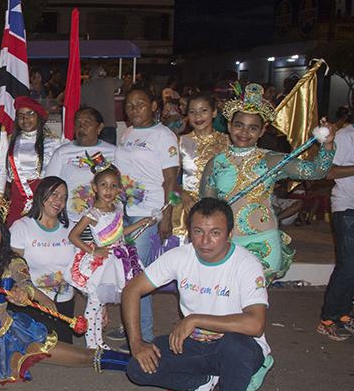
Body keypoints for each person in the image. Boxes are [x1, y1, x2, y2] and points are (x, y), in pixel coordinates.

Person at [0, 177, 131, 383]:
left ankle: (133, 361)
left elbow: (26, 284)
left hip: (12, 335)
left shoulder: (12, 262)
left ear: (3, 234)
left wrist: (24, 294)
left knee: (83, 356)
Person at [123, 198, 270, 391]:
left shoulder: (246, 264)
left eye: (215, 233)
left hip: (238, 348)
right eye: (198, 232)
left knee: (236, 346)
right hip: (195, 344)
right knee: (138, 369)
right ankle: (205, 380)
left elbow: (255, 323)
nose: (205, 241)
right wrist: (137, 342)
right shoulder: (181, 256)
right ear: (189, 231)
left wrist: (195, 319)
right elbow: (132, 290)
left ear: (229, 234)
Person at [200, 83, 335, 284]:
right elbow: (206, 207)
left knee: (254, 305)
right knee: (224, 301)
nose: (244, 132)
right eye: (239, 125)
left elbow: (316, 171)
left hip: (263, 242)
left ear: (262, 131)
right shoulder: (215, 163)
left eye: (253, 127)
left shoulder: (271, 160)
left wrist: (328, 144)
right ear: (229, 126)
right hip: (226, 242)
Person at [113, 86, 179, 345]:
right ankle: (133, 325)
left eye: (140, 104)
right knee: (129, 273)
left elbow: (171, 179)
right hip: (126, 212)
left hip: (150, 213)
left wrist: (167, 214)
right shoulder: (128, 133)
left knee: (137, 275)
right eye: (129, 105)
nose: (133, 109)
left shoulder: (163, 136)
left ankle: (144, 334)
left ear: (153, 105)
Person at [68, 158, 152, 349]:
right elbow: (73, 236)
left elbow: (120, 234)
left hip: (118, 258)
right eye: (104, 185)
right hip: (102, 262)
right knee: (95, 303)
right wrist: (93, 249)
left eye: (113, 186)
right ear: (95, 187)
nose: (108, 190)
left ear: (119, 189)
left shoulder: (118, 208)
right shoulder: (93, 213)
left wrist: (141, 223)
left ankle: (99, 341)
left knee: (101, 303)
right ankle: (91, 344)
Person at [10, 177, 79, 343]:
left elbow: (82, 268)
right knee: (38, 345)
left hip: (63, 302)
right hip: (32, 300)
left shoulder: (72, 229)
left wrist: (99, 304)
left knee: (61, 345)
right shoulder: (21, 227)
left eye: (63, 197)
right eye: (54, 194)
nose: (59, 201)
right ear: (41, 195)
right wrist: (40, 297)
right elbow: (12, 268)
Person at [43, 107, 116, 225]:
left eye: (87, 122)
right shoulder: (62, 152)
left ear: (100, 127)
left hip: (106, 220)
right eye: (78, 123)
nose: (81, 127)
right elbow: (49, 186)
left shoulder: (113, 152)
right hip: (72, 219)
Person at [318, 107, 354, 340]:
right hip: (347, 207)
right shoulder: (345, 136)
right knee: (348, 264)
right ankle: (328, 318)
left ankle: (343, 314)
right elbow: (328, 172)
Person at [173, 93, 228, 240]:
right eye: (192, 112)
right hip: (188, 205)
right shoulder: (180, 142)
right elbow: (170, 179)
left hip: (219, 206)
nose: (198, 116)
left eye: (204, 110)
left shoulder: (227, 142)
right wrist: (184, 196)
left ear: (214, 112)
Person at [6, 96, 57, 224]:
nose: (25, 119)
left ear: (38, 116)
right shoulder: (9, 140)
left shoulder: (52, 141)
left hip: (42, 194)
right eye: (21, 115)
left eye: (30, 114)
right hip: (17, 194)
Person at [81, 66, 122, 144]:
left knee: (92, 153)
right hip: (108, 124)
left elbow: (81, 105)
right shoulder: (109, 82)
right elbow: (121, 82)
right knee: (109, 153)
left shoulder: (84, 87)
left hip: (92, 126)